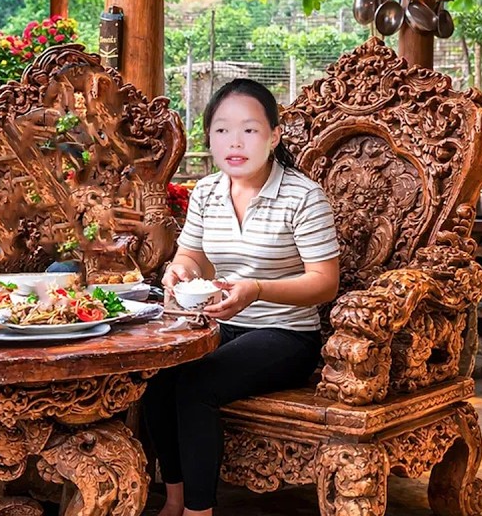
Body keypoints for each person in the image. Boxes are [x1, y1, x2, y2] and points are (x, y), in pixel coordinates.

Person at [145, 78, 341, 516]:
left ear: (273, 135)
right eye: (221, 130)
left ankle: (200, 510)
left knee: (197, 384)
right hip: (220, 324)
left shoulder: (303, 196)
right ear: (209, 137)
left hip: (286, 333)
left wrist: (256, 290)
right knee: (155, 376)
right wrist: (181, 271)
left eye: (250, 130)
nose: (235, 142)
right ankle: (173, 500)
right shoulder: (207, 192)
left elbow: (325, 282)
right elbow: (191, 254)